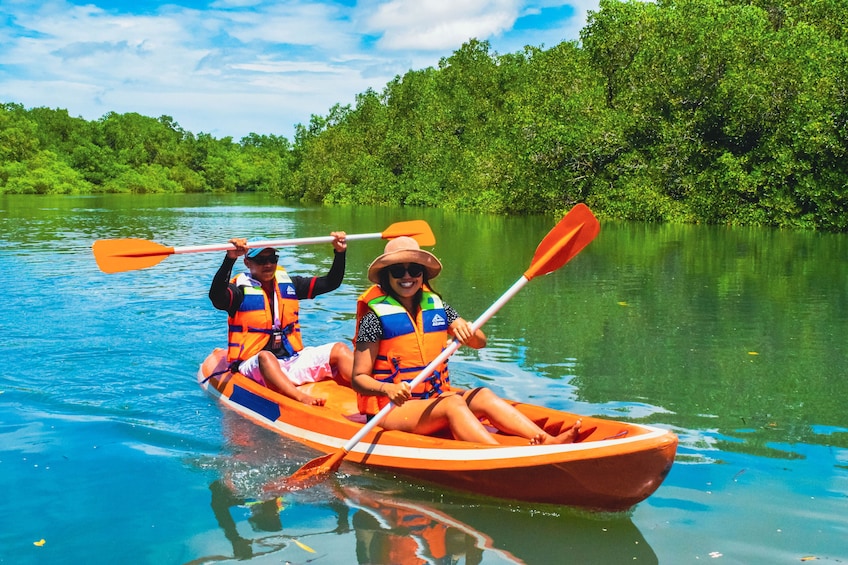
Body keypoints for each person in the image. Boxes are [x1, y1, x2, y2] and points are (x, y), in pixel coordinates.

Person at [351, 236, 581, 445]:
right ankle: (498, 456)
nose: (408, 276)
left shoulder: (439, 308)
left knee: (482, 395)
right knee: (453, 404)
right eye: (398, 271)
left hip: (433, 398)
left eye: (414, 269)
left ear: (422, 274)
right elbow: (359, 378)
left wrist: (467, 329)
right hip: (392, 408)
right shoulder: (373, 319)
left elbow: (480, 343)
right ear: (386, 276)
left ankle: (549, 441)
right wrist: (387, 389)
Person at [209, 232, 353, 406]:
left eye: (272, 259)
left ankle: (369, 389)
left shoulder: (290, 284)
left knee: (340, 349)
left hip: (292, 359)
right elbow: (216, 295)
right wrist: (230, 258)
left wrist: (340, 253)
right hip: (254, 364)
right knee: (266, 357)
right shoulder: (238, 292)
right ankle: (300, 398)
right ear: (247, 263)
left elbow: (331, 282)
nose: (268, 264)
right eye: (261, 261)